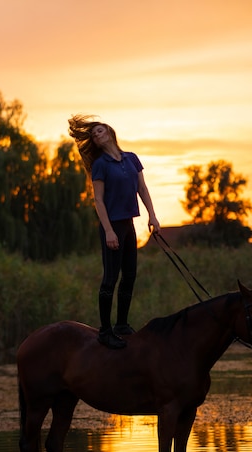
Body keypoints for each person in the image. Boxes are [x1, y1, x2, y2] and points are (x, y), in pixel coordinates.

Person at [68, 114, 161, 349]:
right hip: (113, 226)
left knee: (129, 275)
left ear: (109, 132)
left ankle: (121, 324)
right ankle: (105, 331)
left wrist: (152, 215)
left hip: (129, 224)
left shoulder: (131, 159)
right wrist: (108, 231)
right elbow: (98, 200)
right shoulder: (100, 165)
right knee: (110, 279)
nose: (96, 135)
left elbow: (142, 188)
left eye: (99, 131)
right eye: (93, 134)